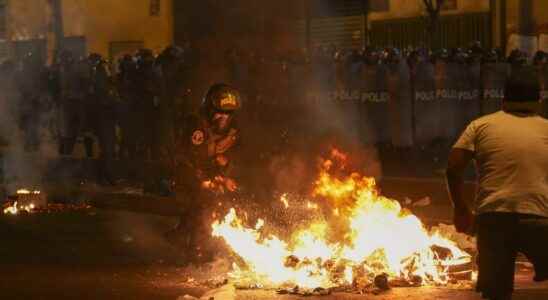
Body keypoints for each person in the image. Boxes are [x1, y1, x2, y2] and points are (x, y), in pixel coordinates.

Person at [446, 66, 548, 300]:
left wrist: (461, 209)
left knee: (496, 293)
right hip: (539, 217)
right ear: (539, 99)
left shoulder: (481, 125)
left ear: (503, 98)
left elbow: (453, 168)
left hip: (493, 219)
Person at [167, 83, 241, 263]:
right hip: (189, 173)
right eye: (220, 112)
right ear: (209, 108)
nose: (224, 117)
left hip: (213, 172)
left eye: (228, 113)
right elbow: (193, 160)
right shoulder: (197, 126)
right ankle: (197, 249)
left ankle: (180, 233)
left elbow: (237, 155)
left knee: (233, 196)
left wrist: (227, 167)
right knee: (205, 200)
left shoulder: (233, 128)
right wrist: (217, 179)